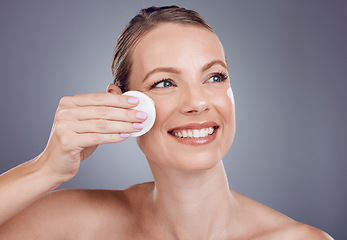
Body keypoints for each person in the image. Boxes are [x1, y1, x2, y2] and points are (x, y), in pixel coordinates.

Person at [0, 5, 333, 239]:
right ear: (121, 102)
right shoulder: (72, 224)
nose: (198, 102)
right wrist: (46, 169)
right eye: (164, 83)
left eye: (215, 77)